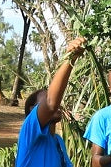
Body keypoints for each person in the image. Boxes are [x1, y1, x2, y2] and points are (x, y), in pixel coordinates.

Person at [15, 37, 87, 167]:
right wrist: (70, 58)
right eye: (45, 97)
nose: (57, 103)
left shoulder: (57, 141)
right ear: (32, 109)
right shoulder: (29, 130)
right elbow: (50, 104)